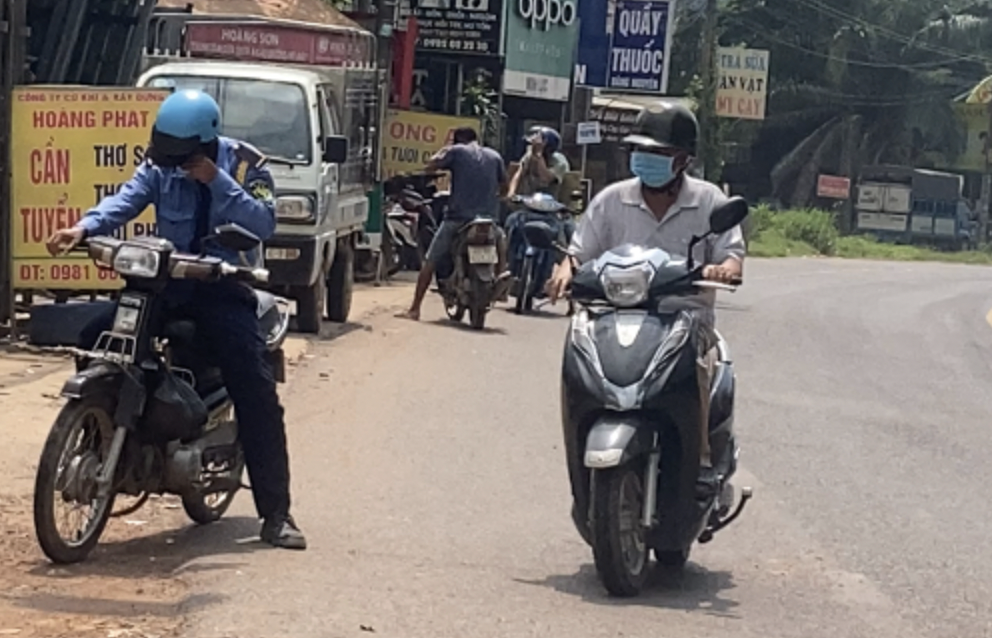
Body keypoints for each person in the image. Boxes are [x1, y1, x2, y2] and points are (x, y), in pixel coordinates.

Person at [46, 89, 306, 550]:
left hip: (221, 287)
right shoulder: (160, 165)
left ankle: (277, 514)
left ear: (205, 143)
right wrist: (82, 229)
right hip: (164, 284)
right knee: (95, 336)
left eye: (180, 156)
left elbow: (263, 223)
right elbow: (126, 199)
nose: (171, 163)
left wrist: (216, 181)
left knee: (255, 389)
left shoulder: (246, 166)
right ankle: (101, 435)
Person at [546, 101, 745, 494]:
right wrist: (566, 269)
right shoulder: (611, 199)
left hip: (684, 321)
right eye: (642, 151)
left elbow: (731, 255)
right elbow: (579, 250)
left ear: (683, 159)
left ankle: (702, 460)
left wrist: (724, 269)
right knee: (577, 366)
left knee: (700, 370)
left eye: (659, 153)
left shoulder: (708, 202)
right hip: (613, 319)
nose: (647, 159)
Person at [399, 126, 510, 321]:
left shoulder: (456, 151)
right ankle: (501, 279)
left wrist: (445, 149)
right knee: (500, 243)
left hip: (458, 218)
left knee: (430, 260)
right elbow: (505, 188)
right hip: (488, 219)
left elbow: (430, 166)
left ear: (458, 141)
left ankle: (415, 309)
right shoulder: (495, 156)